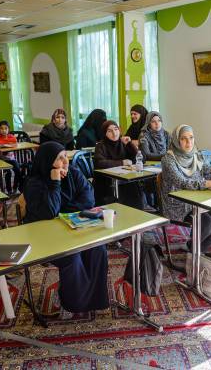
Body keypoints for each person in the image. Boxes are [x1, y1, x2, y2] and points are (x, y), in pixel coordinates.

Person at [23, 141, 109, 313]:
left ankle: (95, 299)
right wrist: (55, 183)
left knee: (98, 249)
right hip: (44, 237)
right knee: (72, 256)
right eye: (59, 158)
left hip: (73, 229)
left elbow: (89, 200)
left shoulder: (74, 173)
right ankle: (75, 303)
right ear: (47, 161)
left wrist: (62, 211)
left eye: (65, 156)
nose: (65, 161)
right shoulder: (34, 183)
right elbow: (48, 212)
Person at [160, 125, 211, 251]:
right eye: (183, 139)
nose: (188, 142)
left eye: (191, 138)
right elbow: (182, 182)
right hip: (178, 204)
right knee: (207, 224)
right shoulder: (168, 159)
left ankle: (195, 251)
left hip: (197, 200)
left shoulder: (196, 155)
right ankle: (195, 254)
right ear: (176, 140)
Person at [93, 120, 143, 208]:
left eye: (116, 129)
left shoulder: (123, 143)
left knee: (134, 188)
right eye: (109, 131)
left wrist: (129, 144)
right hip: (106, 182)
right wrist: (122, 162)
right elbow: (99, 163)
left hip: (125, 179)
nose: (114, 133)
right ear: (105, 133)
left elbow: (140, 158)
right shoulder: (101, 145)